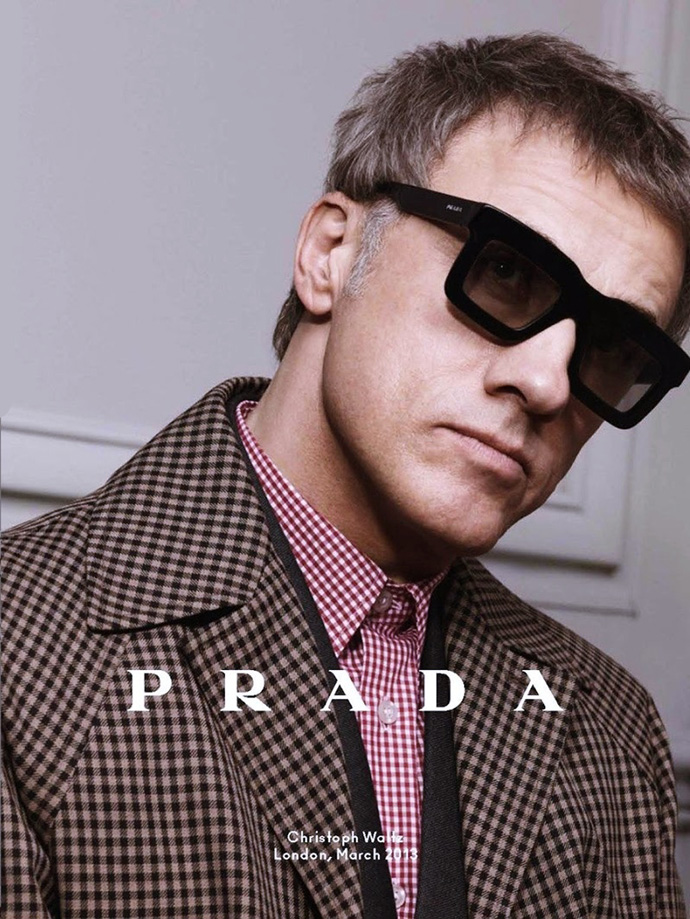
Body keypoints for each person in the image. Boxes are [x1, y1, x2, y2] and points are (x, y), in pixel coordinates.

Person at [2, 32, 689, 919]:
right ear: (330, 251)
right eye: (506, 272)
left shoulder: (611, 730)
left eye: (612, 346)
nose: (549, 381)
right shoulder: (22, 650)